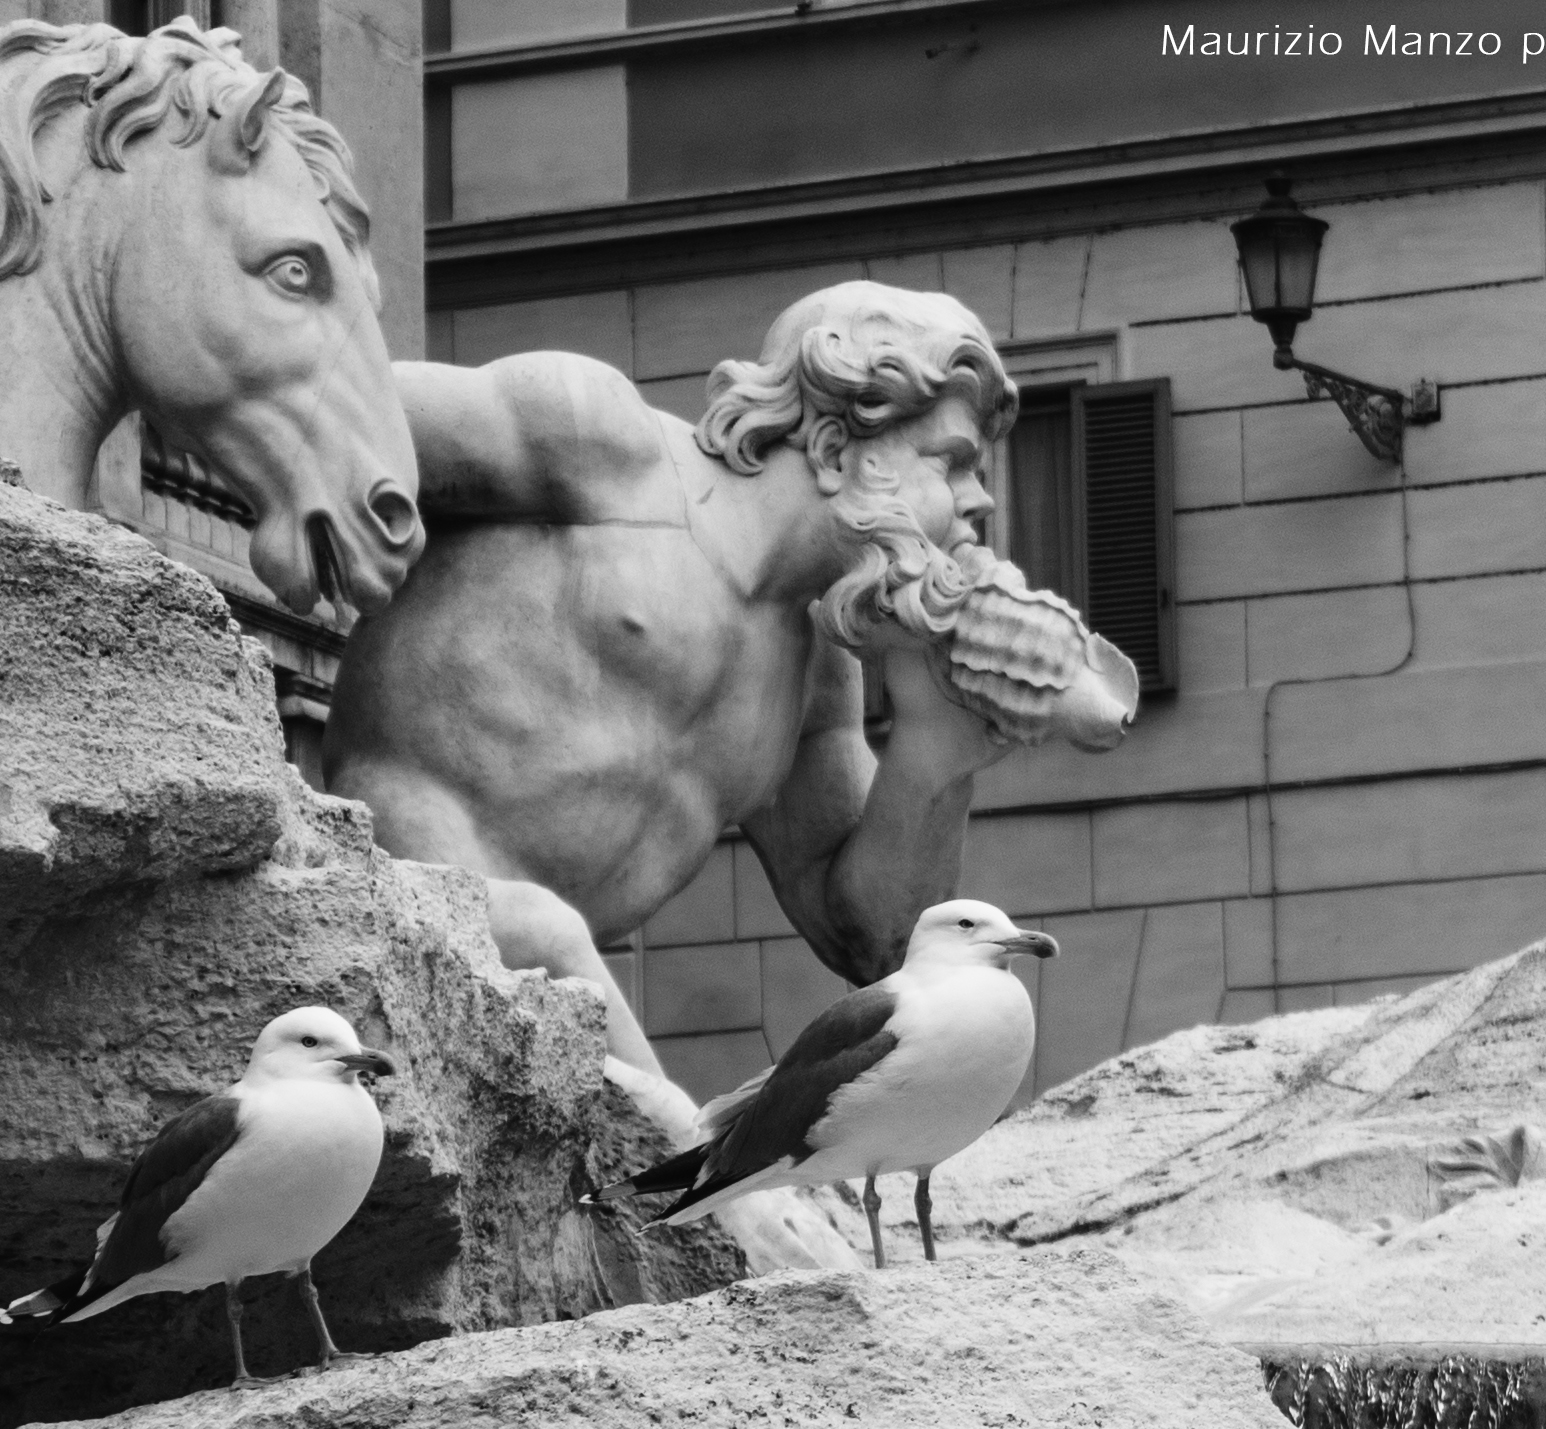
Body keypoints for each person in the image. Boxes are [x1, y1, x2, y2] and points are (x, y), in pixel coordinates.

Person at [325, 280, 1042, 1106]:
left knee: (580, 990)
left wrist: (934, 746)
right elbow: (338, 407)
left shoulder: (814, 668)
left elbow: (876, 942)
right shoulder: (600, 445)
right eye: (952, 460)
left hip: (541, 990)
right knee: (676, 1141)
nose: (980, 503)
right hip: (395, 895)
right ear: (843, 447)